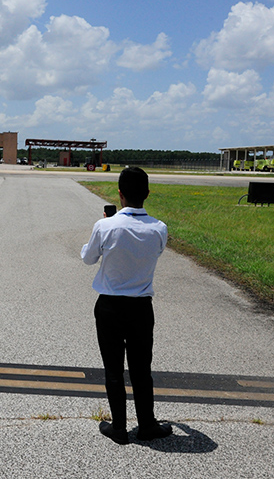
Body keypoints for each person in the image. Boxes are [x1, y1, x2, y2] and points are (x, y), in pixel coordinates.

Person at [81, 166, 173, 444]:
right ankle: (146, 424)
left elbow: (88, 258)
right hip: (141, 307)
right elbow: (154, 253)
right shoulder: (159, 229)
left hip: (109, 306)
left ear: (119, 194)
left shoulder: (105, 226)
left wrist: (107, 223)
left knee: (113, 369)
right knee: (141, 369)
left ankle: (119, 427)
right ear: (147, 193)